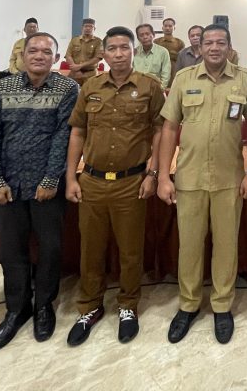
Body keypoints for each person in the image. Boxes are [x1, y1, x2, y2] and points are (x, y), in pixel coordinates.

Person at [156, 24, 247, 345]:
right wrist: (162, 176)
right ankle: (188, 305)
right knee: (189, 245)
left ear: (229, 46)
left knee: (226, 245)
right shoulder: (184, 79)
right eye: (208, 42)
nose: (214, 47)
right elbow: (170, 129)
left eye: (221, 42)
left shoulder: (244, 79)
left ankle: (222, 305)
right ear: (199, 48)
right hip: (190, 178)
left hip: (230, 178)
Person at [64, 26, 166, 346]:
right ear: (104, 54)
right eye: (113, 49)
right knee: (91, 249)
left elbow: (161, 132)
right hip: (92, 181)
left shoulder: (150, 87)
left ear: (133, 51)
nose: (119, 53)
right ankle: (90, 306)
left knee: (130, 249)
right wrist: (70, 176)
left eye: (125, 48)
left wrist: (152, 173)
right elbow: (78, 131)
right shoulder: (91, 87)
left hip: (131, 182)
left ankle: (127, 305)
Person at [0, 32, 79, 349]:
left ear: (55, 57)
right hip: (7, 185)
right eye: (33, 50)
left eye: (46, 52)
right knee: (12, 249)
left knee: (50, 248)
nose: (38, 56)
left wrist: (51, 180)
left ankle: (44, 306)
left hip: (47, 185)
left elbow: (65, 137)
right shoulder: (1, 89)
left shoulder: (67, 88)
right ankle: (16, 309)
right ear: (23, 55)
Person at [65, 18, 104, 87]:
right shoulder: (74, 40)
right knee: (69, 92)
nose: (88, 28)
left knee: (90, 95)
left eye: (90, 26)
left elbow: (97, 58)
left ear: (94, 28)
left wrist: (79, 66)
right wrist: (76, 69)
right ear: (82, 28)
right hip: (75, 74)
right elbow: (68, 55)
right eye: (86, 26)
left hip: (90, 74)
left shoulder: (98, 42)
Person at [132, 23, 172, 88]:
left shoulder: (163, 52)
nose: (145, 37)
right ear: (138, 38)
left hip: (156, 89)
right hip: (137, 88)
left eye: (147, 34)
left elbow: (166, 74)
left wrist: (160, 89)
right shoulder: (134, 52)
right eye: (141, 35)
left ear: (153, 35)